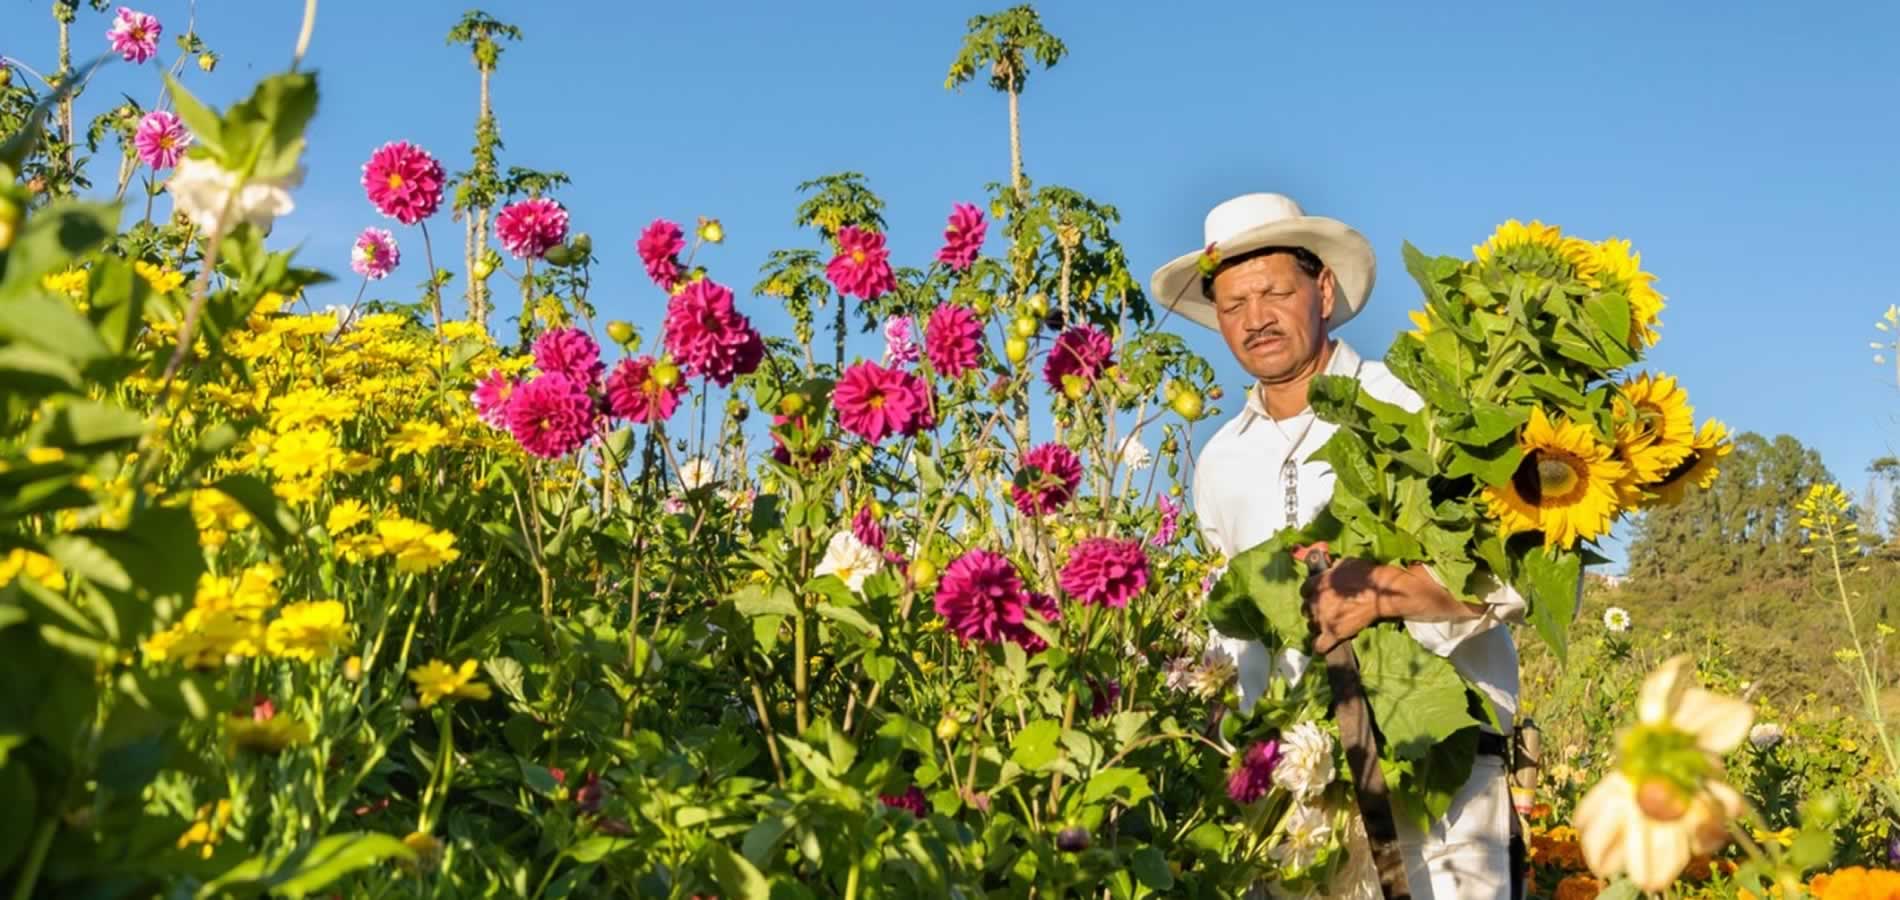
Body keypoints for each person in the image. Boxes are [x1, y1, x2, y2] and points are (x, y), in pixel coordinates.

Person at [1149, 193, 1527, 899]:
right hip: (1296, 801)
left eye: (1273, 292)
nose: (1255, 318)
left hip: (1441, 783)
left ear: (1321, 288)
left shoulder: (1416, 404)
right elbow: (1231, 639)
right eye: (1232, 305)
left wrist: (1385, 589)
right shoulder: (1220, 461)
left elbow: (1511, 578)